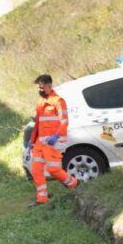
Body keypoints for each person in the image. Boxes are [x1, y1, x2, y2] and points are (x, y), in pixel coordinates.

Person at [29, 73, 78, 206]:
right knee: (36, 170)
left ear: (49, 86)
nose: (39, 90)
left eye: (41, 87)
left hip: (54, 141)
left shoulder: (58, 101)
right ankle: (42, 198)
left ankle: (73, 183)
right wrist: (31, 141)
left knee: (53, 170)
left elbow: (64, 121)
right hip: (40, 142)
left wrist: (57, 136)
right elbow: (38, 124)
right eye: (38, 88)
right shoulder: (40, 103)